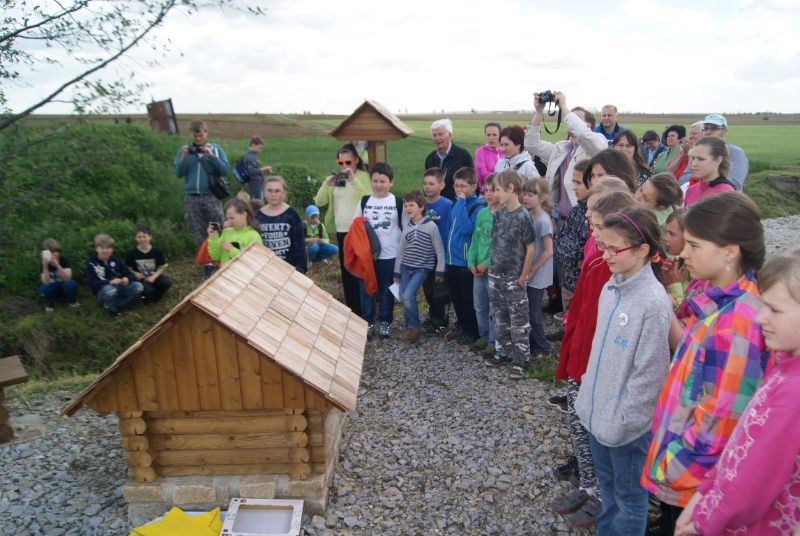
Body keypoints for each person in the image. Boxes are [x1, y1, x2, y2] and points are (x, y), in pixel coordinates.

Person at [641, 192, 769, 536]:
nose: (683, 252)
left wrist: (670, 466)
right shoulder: (718, 301)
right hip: (685, 477)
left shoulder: (737, 325)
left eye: (695, 245)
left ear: (731, 250)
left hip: (693, 484)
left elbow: (720, 420)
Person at [675, 249, 800, 536]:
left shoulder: (793, 395)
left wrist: (706, 520)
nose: (760, 318)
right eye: (763, 306)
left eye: (775, 310)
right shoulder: (782, 362)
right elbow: (741, 447)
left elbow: (756, 478)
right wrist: (704, 493)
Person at [575, 207, 672, 536]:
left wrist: (623, 422)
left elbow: (650, 376)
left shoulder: (653, 303)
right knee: (610, 492)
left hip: (625, 428)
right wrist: (587, 399)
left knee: (629, 499)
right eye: (603, 246)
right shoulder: (611, 289)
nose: (606, 255)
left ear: (644, 250)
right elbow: (599, 352)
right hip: (597, 416)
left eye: (615, 249)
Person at [551, 184, 635, 530]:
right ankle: (588, 484)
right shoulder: (598, 260)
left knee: (597, 429)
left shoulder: (617, 268)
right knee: (577, 420)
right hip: (580, 356)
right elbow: (581, 313)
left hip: (597, 363)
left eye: (597, 225)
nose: (590, 228)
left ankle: (602, 493)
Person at [483, 169, 535, 380]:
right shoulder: (499, 214)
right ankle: (502, 352)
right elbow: (495, 241)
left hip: (514, 277)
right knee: (500, 316)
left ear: (511, 189)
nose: (495, 194)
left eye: (498, 190)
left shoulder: (524, 216)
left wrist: (523, 276)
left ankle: (521, 360)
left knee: (518, 320)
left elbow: (530, 248)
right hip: (496, 275)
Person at [525, 91, 607, 221]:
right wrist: (539, 111)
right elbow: (531, 144)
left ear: (589, 126)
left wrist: (563, 106)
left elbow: (582, 134)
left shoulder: (598, 143)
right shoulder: (561, 147)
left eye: (576, 119)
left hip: (583, 218)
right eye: (569, 117)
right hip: (557, 217)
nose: (570, 120)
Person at [314, 143, 371, 315]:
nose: (345, 166)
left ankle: (367, 310)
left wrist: (353, 179)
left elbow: (367, 196)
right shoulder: (337, 178)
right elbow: (319, 202)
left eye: (348, 162)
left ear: (356, 160)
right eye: (341, 163)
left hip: (358, 229)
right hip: (341, 230)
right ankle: (353, 310)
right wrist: (326, 183)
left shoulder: (363, 176)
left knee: (360, 271)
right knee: (346, 271)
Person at [354, 162, 406, 339]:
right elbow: (355, 229)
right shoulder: (364, 202)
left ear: (391, 182)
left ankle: (385, 321)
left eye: (383, 181)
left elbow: (405, 229)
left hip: (390, 255)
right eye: (375, 181)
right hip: (367, 257)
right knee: (366, 289)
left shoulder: (398, 202)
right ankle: (367, 322)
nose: (378, 185)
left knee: (387, 289)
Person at [393, 190, 445, 344]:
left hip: (421, 269)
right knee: (405, 298)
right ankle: (410, 326)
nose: (408, 208)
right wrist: (397, 271)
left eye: (411, 205)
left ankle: (415, 327)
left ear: (421, 207)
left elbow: (440, 251)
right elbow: (401, 251)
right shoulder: (407, 227)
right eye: (406, 205)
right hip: (405, 268)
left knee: (408, 296)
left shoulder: (431, 226)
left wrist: (440, 270)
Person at [444, 167, 486, 344]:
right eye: (456, 186)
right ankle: (462, 326)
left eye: (463, 186)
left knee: (468, 299)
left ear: (474, 186)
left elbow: (466, 229)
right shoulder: (456, 203)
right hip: (452, 259)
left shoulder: (478, 206)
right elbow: (449, 228)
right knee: (457, 298)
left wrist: (461, 203)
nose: (458, 190)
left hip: (465, 261)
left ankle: (472, 331)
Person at [174, 120, 229, 247]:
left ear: (206, 133)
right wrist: (183, 158)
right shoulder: (185, 151)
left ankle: (221, 260)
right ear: (191, 135)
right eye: (195, 136)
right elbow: (178, 173)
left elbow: (225, 170)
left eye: (201, 135)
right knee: (198, 232)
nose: (198, 138)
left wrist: (212, 157)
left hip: (211, 196)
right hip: (192, 197)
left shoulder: (216, 150)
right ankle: (206, 263)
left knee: (218, 228)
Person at [552, 160, 590, 318]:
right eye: (573, 181)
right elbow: (560, 240)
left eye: (579, 182)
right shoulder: (576, 210)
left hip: (580, 283)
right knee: (568, 315)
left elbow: (582, 248)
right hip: (567, 278)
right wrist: (571, 257)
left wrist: (573, 256)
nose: (574, 187)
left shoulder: (592, 214)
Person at [468, 173, 500, 356]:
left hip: (492, 271)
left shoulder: (503, 216)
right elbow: (476, 239)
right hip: (477, 270)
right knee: (480, 305)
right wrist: (471, 262)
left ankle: (494, 340)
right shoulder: (481, 212)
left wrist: (486, 264)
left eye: (494, 190)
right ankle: (483, 334)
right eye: (486, 190)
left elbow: (500, 245)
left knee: (494, 308)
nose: (489, 194)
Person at [521, 178, 554, 357]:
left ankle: (543, 348)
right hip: (528, 271)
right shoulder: (528, 215)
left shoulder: (543, 220)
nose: (526, 198)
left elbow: (549, 251)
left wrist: (532, 269)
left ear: (541, 197)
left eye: (531, 195)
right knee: (526, 311)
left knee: (534, 314)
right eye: (525, 194)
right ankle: (533, 345)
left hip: (538, 274)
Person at [421, 167, 453, 334]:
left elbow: (451, 230)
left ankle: (440, 320)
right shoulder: (420, 204)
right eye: (425, 183)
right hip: (424, 254)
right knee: (428, 288)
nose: (427, 187)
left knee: (440, 288)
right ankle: (433, 313)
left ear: (441, 185)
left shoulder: (448, 205)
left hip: (441, 255)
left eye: (432, 184)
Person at [86, 233, 143, 318]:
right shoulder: (91, 262)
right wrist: (110, 282)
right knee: (111, 291)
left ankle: (117, 305)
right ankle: (112, 310)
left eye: (108, 248)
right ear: (96, 249)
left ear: (112, 249)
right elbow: (92, 283)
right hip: (102, 291)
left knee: (139, 287)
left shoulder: (116, 260)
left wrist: (127, 278)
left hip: (118, 287)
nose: (105, 251)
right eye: (102, 248)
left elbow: (130, 274)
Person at [256, 176, 307, 273]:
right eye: (269, 190)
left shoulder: (292, 215)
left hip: (289, 267)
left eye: (277, 191)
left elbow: (300, 245)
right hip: (266, 267)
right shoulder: (258, 216)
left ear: (284, 193)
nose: (273, 194)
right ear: (264, 192)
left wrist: (301, 267)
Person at [424, 119, 474, 200]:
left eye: (440, 134)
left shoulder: (463, 155)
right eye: (434, 135)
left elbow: (472, 182)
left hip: (457, 204)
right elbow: (426, 184)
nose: (437, 138)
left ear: (450, 135)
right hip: (435, 205)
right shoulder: (430, 158)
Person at [208, 198, 263, 265]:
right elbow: (215, 256)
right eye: (228, 218)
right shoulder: (226, 232)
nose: (229, 221)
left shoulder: (254, 236)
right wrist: (213, 237)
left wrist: (232, 250)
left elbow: (254, 262)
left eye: (232, 218)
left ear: (244, 214)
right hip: (225, 274)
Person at [702, 113, 749, 191]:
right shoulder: (699, 152)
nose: (708, 132)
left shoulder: (736, 153)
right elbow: (686, 178)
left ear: (724, 131)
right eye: (706, 128)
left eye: (714, 128)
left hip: (727, 200)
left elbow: (735, 183)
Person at [684, 136, 736, 207]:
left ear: (718, 160)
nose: (694, 164)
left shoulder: (726, 194)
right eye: (693, 158)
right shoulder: (691, 191)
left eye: (701, 159)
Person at [125, 225, 172, 303]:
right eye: (139, 237)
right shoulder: (132, 253)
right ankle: (145, 297)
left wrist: (154, 276)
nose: (142, 239)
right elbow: (127, 267)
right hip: (141, 279)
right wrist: (135, 273)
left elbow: (163, 266)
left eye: (144, 236)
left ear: (150, 237)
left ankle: (157, 296)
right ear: (135, 238)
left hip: (154, 276)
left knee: (166, 283)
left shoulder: (156, 251)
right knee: (147, 292)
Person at [38, 238, 79, 311]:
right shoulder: (44, 263)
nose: (53, 254)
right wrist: (45, 267)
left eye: (55, 251)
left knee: (71, 284)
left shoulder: (63, 259)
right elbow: (46, 282)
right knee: (43, 289)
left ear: (59, 251)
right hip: (53, 288)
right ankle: (50, 304)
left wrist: (58, 265)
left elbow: (68, 278)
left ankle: (72, 302)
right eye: (50, 252)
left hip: (64, 286)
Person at [241, 135, 273, 201]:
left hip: (258, 183)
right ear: (253, 145)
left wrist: (264, 171)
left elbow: (256, 169)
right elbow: (251, 172)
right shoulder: (250, 157)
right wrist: (265, 168)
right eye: (259, 148)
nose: (260, 150)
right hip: (255, 184)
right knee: (258, 204)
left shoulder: (253, 155)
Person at [475, 122, 503, 193]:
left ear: (500, 135)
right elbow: (483, 174)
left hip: (505, 193)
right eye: (488, 135)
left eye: (494, 135)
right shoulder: (480, 151)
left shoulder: (505, 151)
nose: (491, 138)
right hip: (487, 193)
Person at [675, 122, 704, 186]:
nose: (690, 137)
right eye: (690, 134)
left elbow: (689, 177)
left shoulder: (705, 155)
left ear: (704, 134)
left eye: (694, 134)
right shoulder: (688, 151)